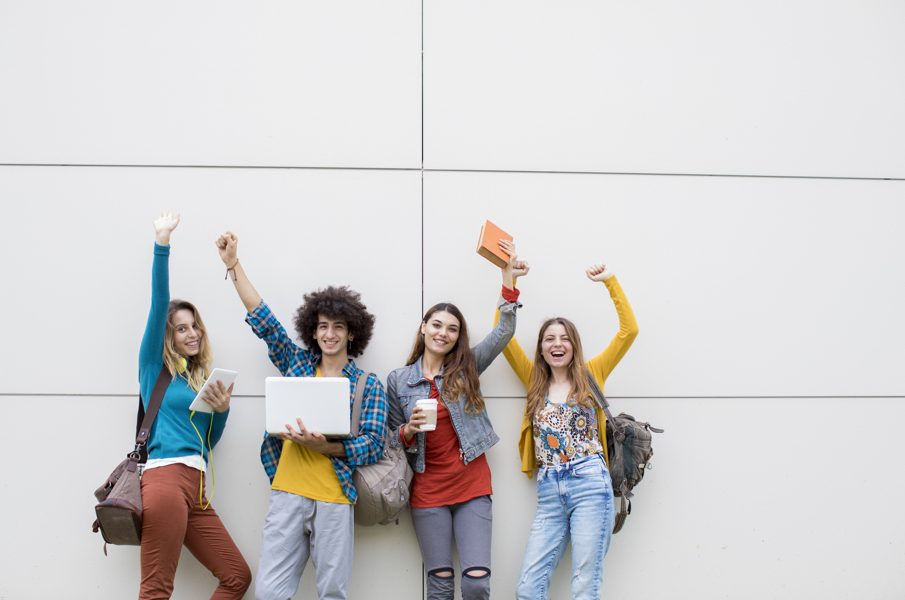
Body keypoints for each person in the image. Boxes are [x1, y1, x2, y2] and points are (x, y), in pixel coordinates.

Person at [215, 231, 387, 600]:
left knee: (332, 594)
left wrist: (327, 447)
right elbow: (264, 320)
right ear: (313, 330)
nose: (329, 333)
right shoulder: (296, 364)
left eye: (338, 327)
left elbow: (373, 445)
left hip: (335, 499)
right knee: (269, 594)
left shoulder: (367, 385)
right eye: (323, 326)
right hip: (287, 494)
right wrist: (233, 266)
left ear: (352, 334)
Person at [386, 240, 529, 600]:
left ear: (456, 337)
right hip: (427, 489)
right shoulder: (398, 380)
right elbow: (389, 438)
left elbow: (503, 334)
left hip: (471, 486)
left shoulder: (466, 369)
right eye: (436, 325)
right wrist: (408, 430)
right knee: (439, 584)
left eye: (451, 329)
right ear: (423, 328)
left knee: (477, 582)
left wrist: (507, 283)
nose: (442, 333)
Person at [500, 262, 638, 600]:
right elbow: (503, 339)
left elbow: (629, 332)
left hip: (590, 483)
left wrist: (611, 283)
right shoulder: (534, 379)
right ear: (542, 348)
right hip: (549, 490)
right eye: (549, 339)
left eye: (564, 338)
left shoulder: (592, 373)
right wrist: (509, 285)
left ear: (574, 345)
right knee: (528, 587)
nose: (557, 344)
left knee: (584, 583)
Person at [138, 213, 251, 600]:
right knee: (156, 589)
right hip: (166, 481)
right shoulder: (154, 369)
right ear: (168, 336)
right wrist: (162, 244)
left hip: (197, 488)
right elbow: (158, 303)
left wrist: (221, 412)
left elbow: (207, 444)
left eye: (195, 326)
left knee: (236, 576)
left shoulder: (199, 381)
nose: (193, 333)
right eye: (182, 328)